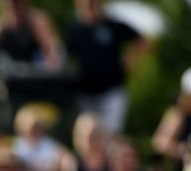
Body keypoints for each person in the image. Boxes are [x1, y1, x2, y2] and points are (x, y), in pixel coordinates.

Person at [63, 0, 146, 134]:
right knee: (88, 134)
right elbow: (64, 56)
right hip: (85, 92)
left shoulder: (112, 25)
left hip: (112, 91)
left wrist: (130, 60)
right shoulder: (74, 30)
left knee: (111, 133)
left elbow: (142, 40)